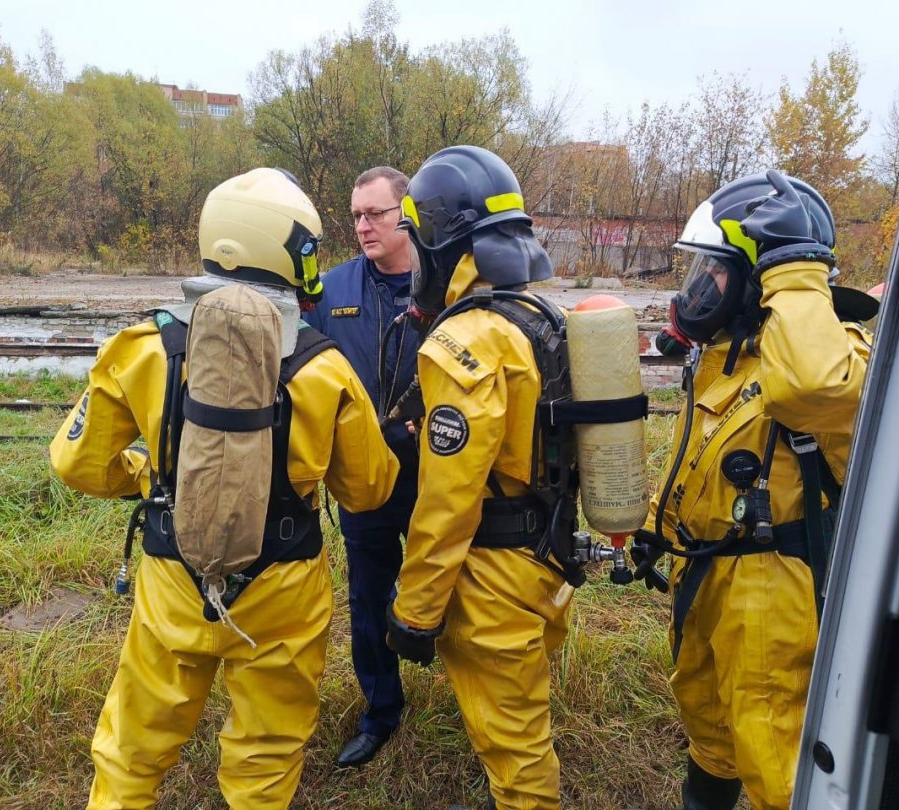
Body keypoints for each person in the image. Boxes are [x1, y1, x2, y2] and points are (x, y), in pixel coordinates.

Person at [49, 167, 399, 810]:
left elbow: (76, 464)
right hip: (284, 588)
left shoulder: (142, 348)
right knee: (265, 755)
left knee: (132, 747)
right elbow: (370, 490)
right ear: (293, 252)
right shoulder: (325, 369)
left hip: (171, 575)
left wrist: (146, 481)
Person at [631, 170, 874, 810]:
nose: (697, 290)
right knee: (708, 719)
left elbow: (810, 391)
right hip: (711, 578)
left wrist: (795, 265)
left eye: (714, 271)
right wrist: (657, 525)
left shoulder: (830, 353)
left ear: (759, 276)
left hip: (774, 591)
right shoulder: (729, 356)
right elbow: (694, 456)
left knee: (774, 750)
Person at [385, 145, 574, 810]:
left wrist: (415, 612)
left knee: (516, 745)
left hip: (493, 574)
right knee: (521, 714)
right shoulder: (536, 318)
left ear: (438, 242)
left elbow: (448, 500)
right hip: (545, 554)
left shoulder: (463, 342)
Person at [304, 166, 421, 768]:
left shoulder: (444, 285)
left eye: (374, 213)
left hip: (436, 480)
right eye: (355, 215)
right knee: (369, 597)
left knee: (459, 594)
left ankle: (485, 708)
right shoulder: (332, 291)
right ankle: (380, 712)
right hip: (363, 481)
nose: (363, 226)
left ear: (408, 214)